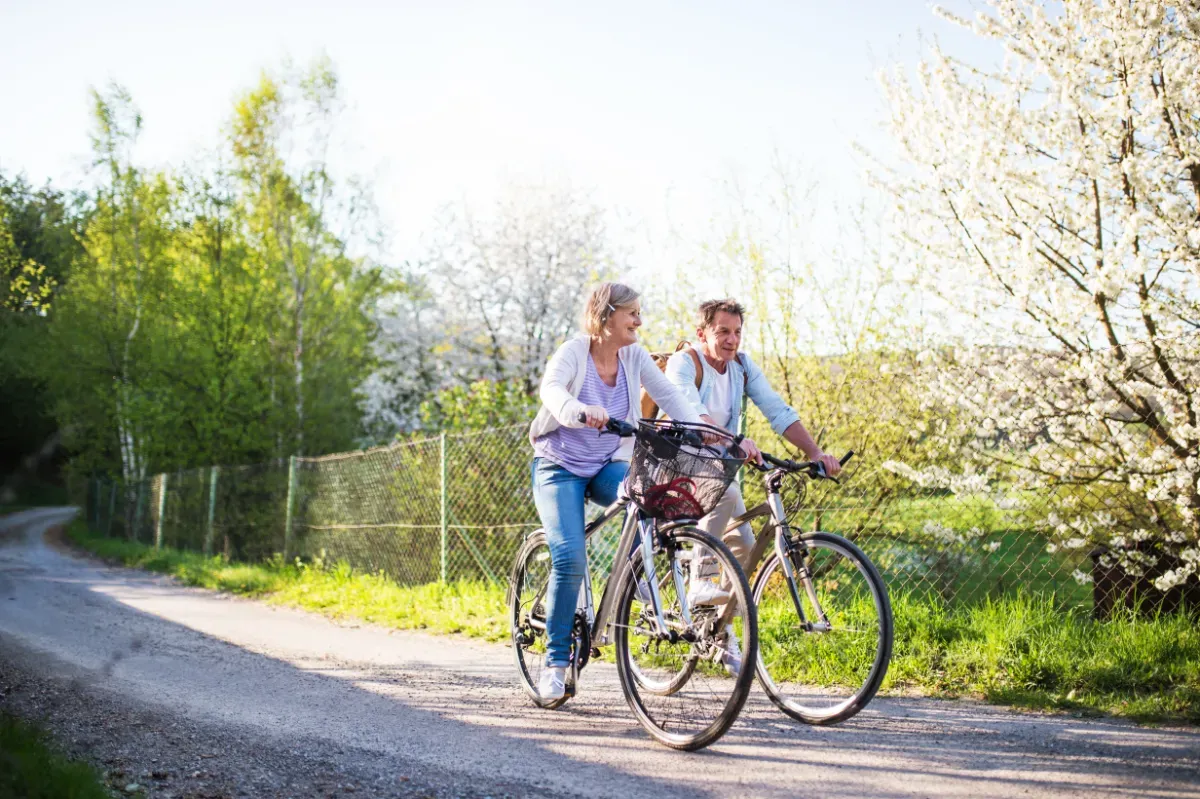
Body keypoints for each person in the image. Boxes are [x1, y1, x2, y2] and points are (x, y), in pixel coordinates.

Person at [528, 282, 706, 702]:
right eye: (633, 313)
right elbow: (552, 389)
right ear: (606, 315)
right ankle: (555, 665)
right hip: (559, 467)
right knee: (570, 558)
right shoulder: (575, 351)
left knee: (647, 501)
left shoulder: (633, 355)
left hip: (607, 463)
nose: (640, 321)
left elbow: (667, 394)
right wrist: (576, 410)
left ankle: (639, 576)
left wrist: (700, 428)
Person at [664, 298, 842, 674]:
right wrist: (731, 439)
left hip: (719, 465)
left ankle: (718, 630)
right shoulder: (686, 363)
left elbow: (777, 411)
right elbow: (691, 411)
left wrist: (815, 453)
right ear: (702, 334)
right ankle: (700, 582)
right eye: (723, 331)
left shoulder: (742, 367)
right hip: (675, 463)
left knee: (746, 550)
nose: (732, 340)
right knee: (725, 493)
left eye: (738, 332)